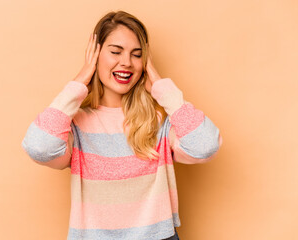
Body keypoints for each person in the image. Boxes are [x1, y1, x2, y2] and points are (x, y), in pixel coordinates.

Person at [21, 10, 222, 240]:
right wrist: (79, 81)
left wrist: (160, 85)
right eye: (116, 51)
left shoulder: (158, 124)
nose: (126, 62)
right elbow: (38, 146)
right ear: (95, 55)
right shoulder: (75, 126)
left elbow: (206, 145)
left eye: (137, 55)